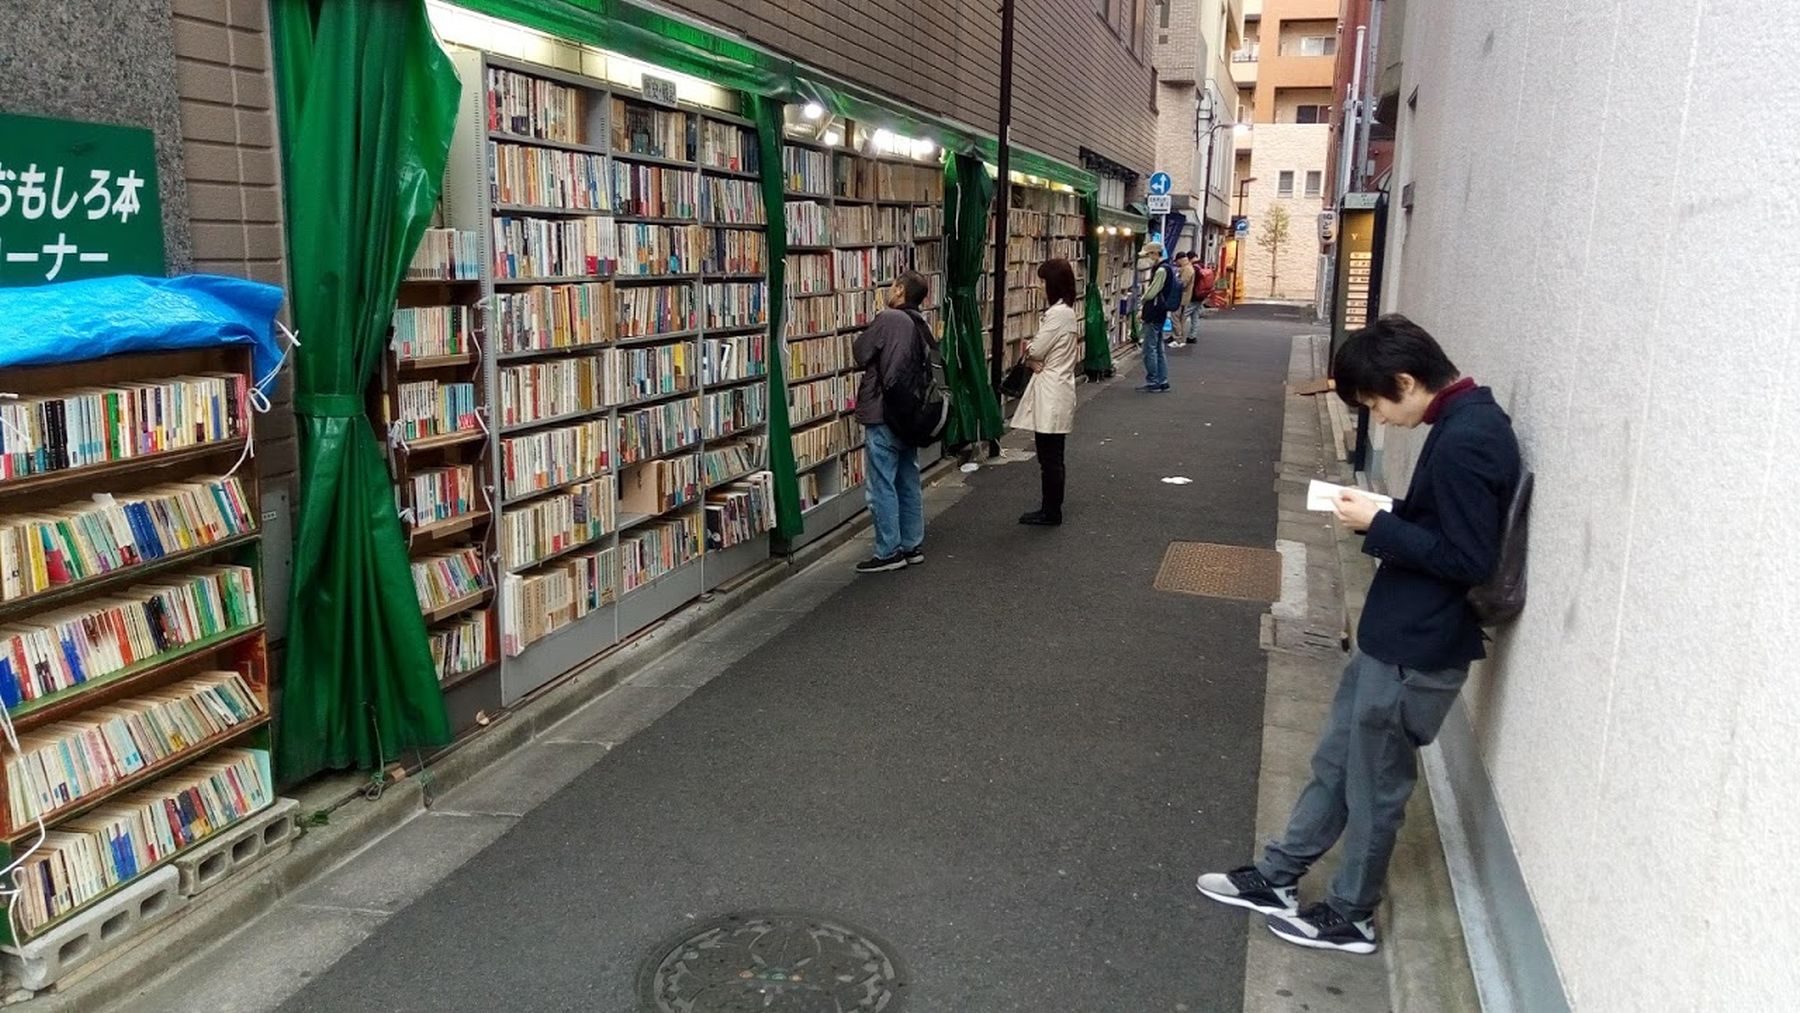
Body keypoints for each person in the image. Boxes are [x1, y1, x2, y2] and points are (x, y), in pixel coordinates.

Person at [1196, 315, 1521, 954]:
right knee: (1338, 762)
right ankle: (1278, 875)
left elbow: (1468, 558)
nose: (1378, 416)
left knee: (1374, 787)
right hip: (1397, 637)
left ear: (1406, 381)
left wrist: (1380, 522)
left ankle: (1351, 914)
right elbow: (1449, 530)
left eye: (1375, 402)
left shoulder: (1469, 439)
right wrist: (1385, 514)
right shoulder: (1463, 423)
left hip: (1417, 648)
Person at [852, 272, 933, 573]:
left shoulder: (889, 318)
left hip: (884, 412)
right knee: (907, 479)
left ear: (900, 290)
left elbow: (861, 352)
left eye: (892, 286)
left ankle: (888, 551)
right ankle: (912, 544)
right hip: (910, 414)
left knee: (881, 484)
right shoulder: (920, 322)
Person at [1011, 258, 1082, 526]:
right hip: (1059, 386)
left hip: (1051, 391)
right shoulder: (1067, 312)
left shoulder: (1057, 314)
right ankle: (1051, 508)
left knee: (1049, 456)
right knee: (1053, 455)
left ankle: (1051, 511)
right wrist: (1033, 358)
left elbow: (1037, 349)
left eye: (1042, 282)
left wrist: (1030, 353)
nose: (1040, 287)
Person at [1137, 241, 1174, 392]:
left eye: (1148, 255)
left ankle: (1153, 381)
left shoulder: (1161, 270)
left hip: (1153, 312)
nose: (1147, 258)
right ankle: (1162, 380)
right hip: (1160, 312)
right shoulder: (1167, 268)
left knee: (1149, 349)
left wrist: (1142, 300)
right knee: (1158, 348)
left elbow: (1152, 292)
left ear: (1154, 253)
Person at [1172, 251, 1197, 348]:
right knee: (1181, 319)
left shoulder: (1187, 269)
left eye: (1177, 261)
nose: (1176, 263)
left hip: (1181, 298)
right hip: (1184, 297)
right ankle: (1181, 339)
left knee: (1176, 318)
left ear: (1180, 260)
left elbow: (1182, 283)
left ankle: (1178, 339)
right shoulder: (1187, 268)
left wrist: (1174, 282)